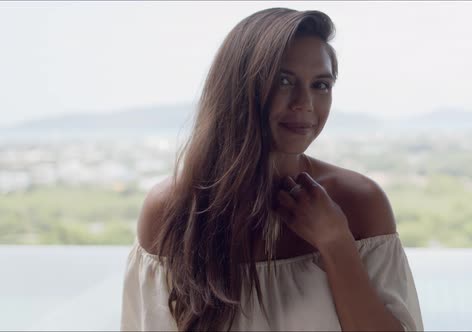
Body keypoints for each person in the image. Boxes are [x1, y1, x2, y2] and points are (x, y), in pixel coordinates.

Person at [120, 7, 423, 331]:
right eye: (284, 80)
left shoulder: (359, 203)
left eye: (321, 85)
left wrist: (336, 243)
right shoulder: (171, 210)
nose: (304, 102)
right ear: (238, 87)